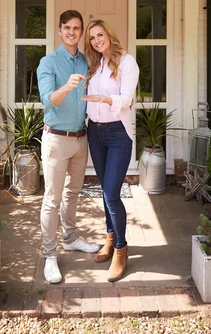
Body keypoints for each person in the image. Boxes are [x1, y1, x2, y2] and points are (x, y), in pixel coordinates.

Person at [37, 10, 101, 284]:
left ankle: (71, 238)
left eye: (77, 28)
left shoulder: (86, 61)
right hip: (56, 139)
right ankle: (50, 256)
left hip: (80, 138)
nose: (72, 32)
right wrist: (66, 87)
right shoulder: (48, 62)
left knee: (73, 192)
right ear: (60, 30)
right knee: (52, 198)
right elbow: (48, 100)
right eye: (67, 28)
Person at [82, 20, 139, 282]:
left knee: (112, 194)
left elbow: (127, 99)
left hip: (117, 134)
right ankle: (110, 236)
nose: (96, 40)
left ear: (109, 35)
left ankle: (120, 249)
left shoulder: (127, 62)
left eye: (100, 35)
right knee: (105, 190)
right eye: (92, 37)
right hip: (95, 132)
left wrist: (105, 99)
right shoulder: (96, 65)